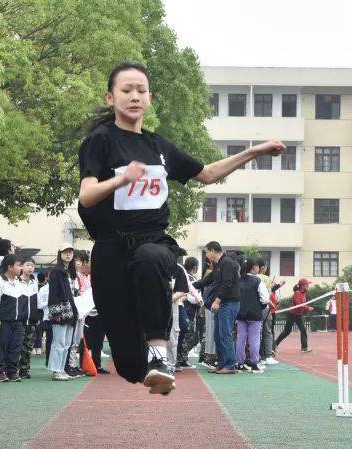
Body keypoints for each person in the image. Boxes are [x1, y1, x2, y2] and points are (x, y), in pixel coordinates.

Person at [78, 62, 284, 394]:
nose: (134, 97)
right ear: (110, 96)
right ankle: (145, 367)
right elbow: (87, 196)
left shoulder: (158, 147)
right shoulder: (100, 142)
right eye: (126, 90)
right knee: (129, 365)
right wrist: (121, 180)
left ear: (150, 98)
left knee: (151, 258)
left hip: (152, 240)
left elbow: (208, 173)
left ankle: (160, 355)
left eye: (141, 91)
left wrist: (255, 151)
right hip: (112, 247)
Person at [200, 244, 240, 374]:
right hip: (223, 304)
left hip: (228, 304)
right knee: (218, 335)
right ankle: (222, 363)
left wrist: (217, 301)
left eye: (206, 252)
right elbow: (207, 280)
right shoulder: (218, 265)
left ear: (212, 251)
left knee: (225, 335)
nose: (206, 255)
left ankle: (229, 365)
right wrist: (190, 286)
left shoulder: (227, 263)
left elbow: (227, 283)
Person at [0, 254, 27, 382]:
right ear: (10, 267)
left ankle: (12, 371)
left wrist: (23, 319)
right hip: (3, 321)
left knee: (16, 346)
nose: (21, 268)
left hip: (18, 322)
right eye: (19, 265)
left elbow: (23, 302)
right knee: (1, 346)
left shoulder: (19, 282)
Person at [46, 256, 78, 381]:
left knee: (67, 343)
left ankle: (62, 369)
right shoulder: (56, 271)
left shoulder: (70, 272)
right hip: (60, 311)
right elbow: (53, 293)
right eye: (65, 252)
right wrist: (55, 313)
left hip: (71, 311)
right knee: (58, 342)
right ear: (60, 254)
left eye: (70, 252)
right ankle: (56, 370)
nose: (68, 255)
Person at [236, 258, 269, 373]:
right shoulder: (258, 280)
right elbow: (265, 299)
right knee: (254, 339)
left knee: (241, 339)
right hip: (255, 314)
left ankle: (240, 364)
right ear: (254, 267)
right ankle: (254, 364)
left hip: (240, 314)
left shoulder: (239, 280)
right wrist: (259, 306)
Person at [275, 278, 312, 352]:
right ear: (302, 286)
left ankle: (304, 348)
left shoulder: (304, 293)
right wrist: (307, 308)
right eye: (307, 285)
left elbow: (302, 304)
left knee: (303, 330)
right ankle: (274, 345)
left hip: (299, 315)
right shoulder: (297, 293)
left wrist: (305, 308)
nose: (308, 286)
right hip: (292, 314)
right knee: (287, 331)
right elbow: (298, 304)